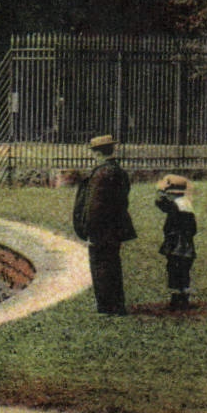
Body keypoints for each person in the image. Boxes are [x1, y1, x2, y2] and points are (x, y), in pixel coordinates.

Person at [73, 133, 135, 315]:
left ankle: (107, 306)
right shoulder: (118, 171)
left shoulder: (101, 173)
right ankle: (116, 304)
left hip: (102, 229)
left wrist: (90, 230)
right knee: (112, 265)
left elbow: (95, 207)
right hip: (115, 227)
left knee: (101, 267)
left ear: (97, 152)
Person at [155, 175, 198, 312]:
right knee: (182, 270)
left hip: (177, 243)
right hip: (184, 244)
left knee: (175, 269)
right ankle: (182, 295)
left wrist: (160, 196)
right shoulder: (184, 203)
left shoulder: (178, 205)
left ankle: (178, 297)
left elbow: (166, 207)